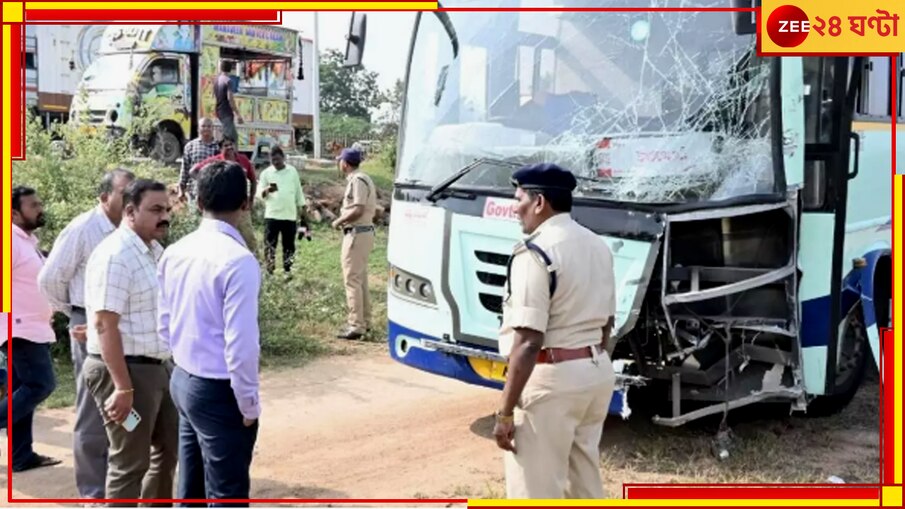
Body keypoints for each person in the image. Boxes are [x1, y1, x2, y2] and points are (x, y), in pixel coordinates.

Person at [492, 163, 617, 499]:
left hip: (552, 378)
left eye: (519, 198)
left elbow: (529, 342)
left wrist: (505, 412)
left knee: (535, 491)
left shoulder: (535, 252)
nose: (515, 207)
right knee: (584, 485)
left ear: (539, 202)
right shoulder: (597, 245)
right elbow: (607, 323)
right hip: (596, 372)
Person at [158, 160, 262, 503]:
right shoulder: (239, 260)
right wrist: (248, 404)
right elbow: (241, 345)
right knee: (226, 493)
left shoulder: (175, 251)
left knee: (192, 487)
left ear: (198, 202)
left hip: (183, 379)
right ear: (246, 204)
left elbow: (165, 321)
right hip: (219, 392)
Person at [37, 169, 135, 501]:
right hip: (90, 323)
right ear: (104, 196)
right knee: (94, 407)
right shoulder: (83, 229)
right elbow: (49, 279)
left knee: (126, 396)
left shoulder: (132, 230)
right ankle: (93, 492)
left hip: (125, 324)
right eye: (125, 193)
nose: (130, 200)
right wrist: (75, 314)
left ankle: (122, 480)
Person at [82, 179, 178, 503]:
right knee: (130, 463)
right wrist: (123, 387)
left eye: (166, 209)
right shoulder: (116, 255)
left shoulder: (152, 250)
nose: (163, 216)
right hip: (126, 371)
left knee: (168, 449)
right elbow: (105, 325)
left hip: (156, 367)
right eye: (155, 210)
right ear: (130, 211)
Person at [1, 186, 61, 473]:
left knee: (20, 390)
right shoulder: (9, 241)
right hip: (18, 328)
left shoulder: (25, 240)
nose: (40, 208)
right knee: (40, 384)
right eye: (33, 205)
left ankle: (21, 456)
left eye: (40, 202)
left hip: (31, 326)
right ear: (14, 213)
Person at [331, 148, 377, 340]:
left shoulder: (357, 180)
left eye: (340, 160)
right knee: (360, 279)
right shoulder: (362, 178)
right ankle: (364, 321)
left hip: (357, 233)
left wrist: (338, 221)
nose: (339, 163)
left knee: (352, 279)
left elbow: (358, 209)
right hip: (363, 233)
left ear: (345, 163)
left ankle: (356, 325)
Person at [192, 137, 258, 254]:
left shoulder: (243, 160)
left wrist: (251, 200)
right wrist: (208, 185)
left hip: (240, 206)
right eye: (226, 145)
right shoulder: (215, 161)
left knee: (248, 237)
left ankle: (255, 261)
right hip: (220, 206)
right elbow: (194, 171)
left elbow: (253, 180)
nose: (229, 147)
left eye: (231, 144)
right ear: (220, 148)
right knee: (221, 237)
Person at [257, 145, 308, 276]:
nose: (276, 163)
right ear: (270, 160)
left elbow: (298, 191)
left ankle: (288, 270)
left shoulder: (292, 171)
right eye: (273, 160)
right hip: (272, 215)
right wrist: (267, 190)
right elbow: (259, 195)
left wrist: (303, 209)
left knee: (289, 245)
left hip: (289, 215)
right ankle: (269, 271)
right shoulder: (266, 173)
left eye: (278, 160)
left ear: (283, 158)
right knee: (270, 245)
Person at [179, 118, 221, 203]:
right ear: (198, 129)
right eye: (203, 126)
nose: (206, 128)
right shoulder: (190, 146)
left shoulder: (218, 147)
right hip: (194, 190)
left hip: (213, 190)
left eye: (209, 126)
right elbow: (185, 169)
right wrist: (181, 189)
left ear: (213, 129)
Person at [214, 60, 243, 143]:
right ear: (230, 69)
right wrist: (238, 114)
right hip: (226, 111)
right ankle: (228, 154)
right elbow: (230, 98)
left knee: (229, 135)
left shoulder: (217, 80)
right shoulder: (228, 81)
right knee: (231, 138)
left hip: (219, 110)